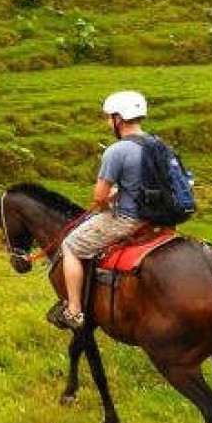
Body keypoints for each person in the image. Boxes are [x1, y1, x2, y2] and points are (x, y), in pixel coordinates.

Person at [53, 91, 151, 330]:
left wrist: (106, 203)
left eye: (109, 117)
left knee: (71, 246)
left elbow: (99, 198)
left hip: (129, 219)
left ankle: (74, 310)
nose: (108, 122)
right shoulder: (156, 144)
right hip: (157, 218)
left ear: (119, 118)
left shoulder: (117, 151)